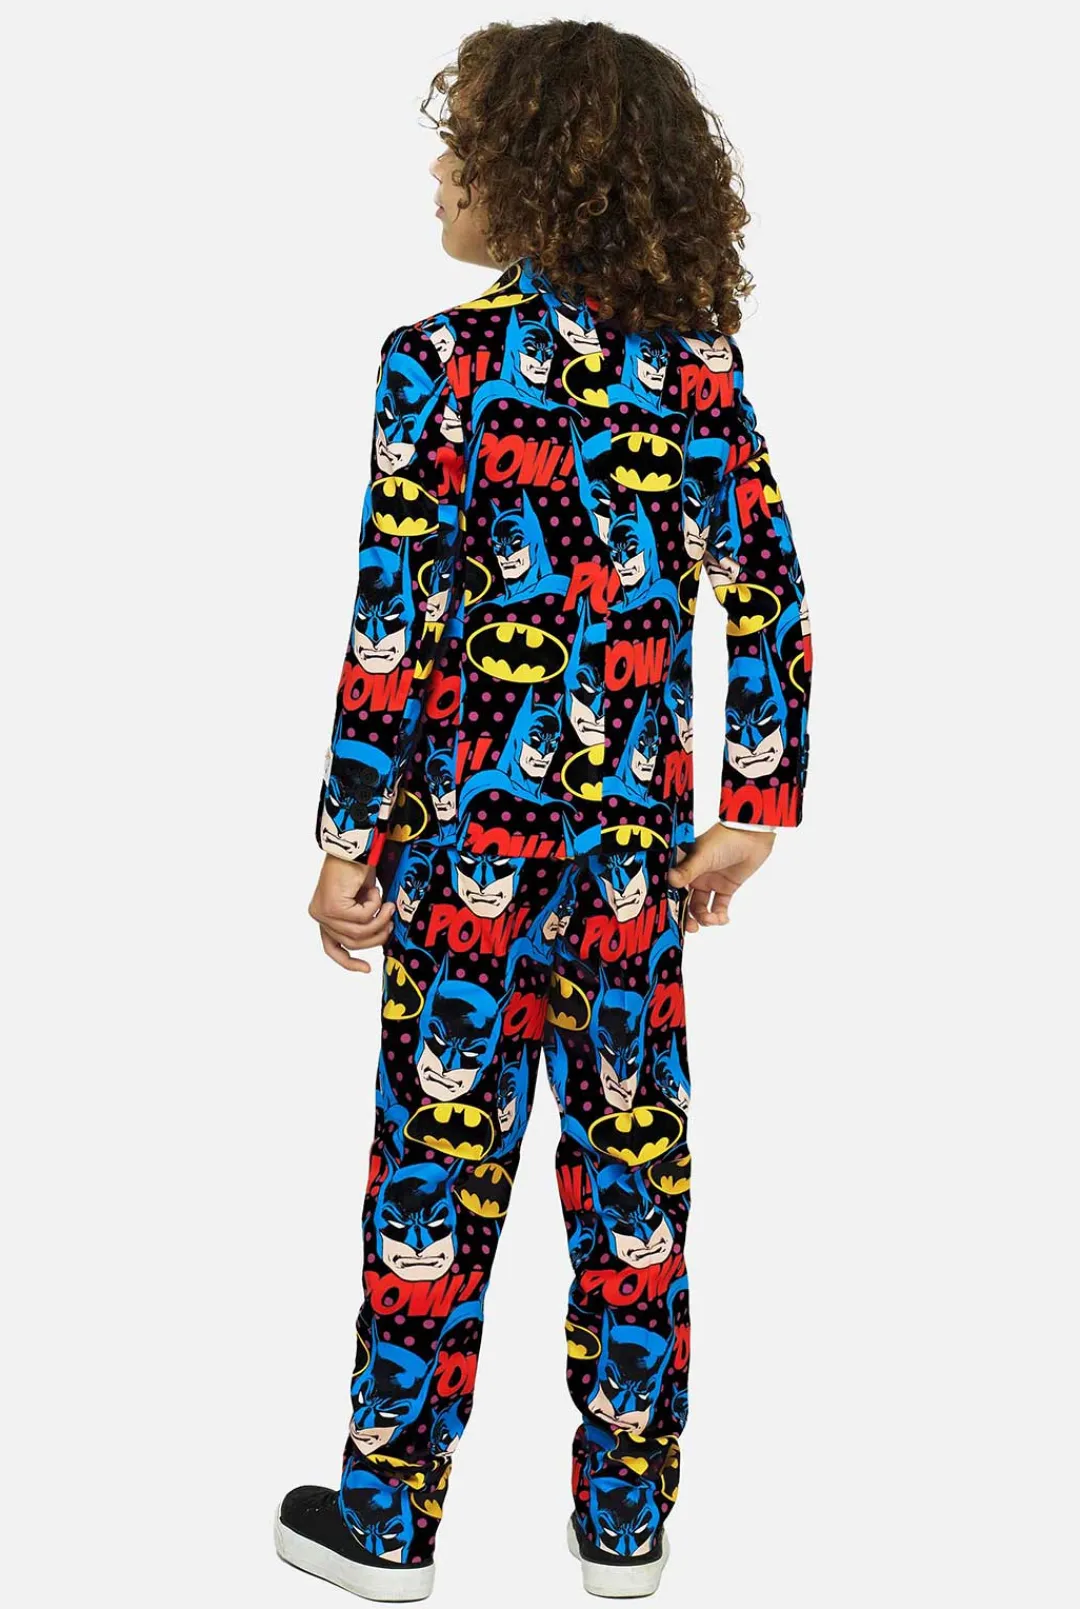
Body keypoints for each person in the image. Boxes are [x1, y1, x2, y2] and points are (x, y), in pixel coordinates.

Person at [274, 18, 812, 1602]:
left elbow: (394, 623)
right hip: (632, 872)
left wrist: (347, 840)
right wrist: (753, 808)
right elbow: (769, 591)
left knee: (432, 1182)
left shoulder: (436, 364)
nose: (440, 176)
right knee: (633, 1180)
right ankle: (627, 1523)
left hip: (463, 866)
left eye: (462, 148)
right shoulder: (698, 373)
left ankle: (390, 1523)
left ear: (532, 172)